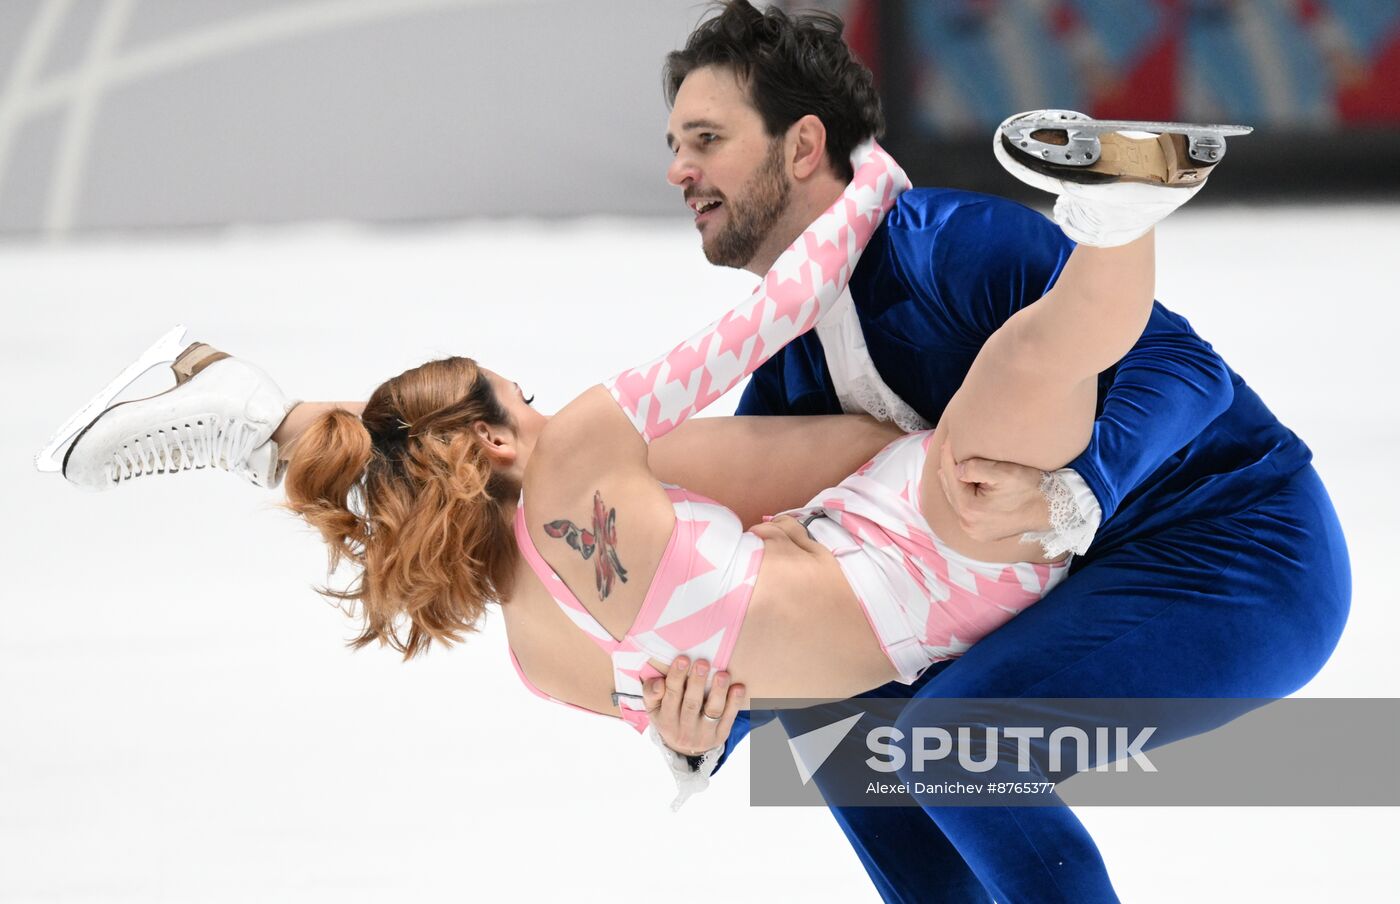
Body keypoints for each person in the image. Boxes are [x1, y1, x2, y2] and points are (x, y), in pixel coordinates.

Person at [37, 4, 1350, 902]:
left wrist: (1081, 486)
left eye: (702, 139)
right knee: (866, 727)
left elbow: (1178, 371)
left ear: (801, 147)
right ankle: (266, 434)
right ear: (499, 434)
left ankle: (1123, 213)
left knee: (955, 731)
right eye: (671, 141)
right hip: (955, 556)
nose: (676, 167)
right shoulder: (684, 424)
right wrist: (716, 701)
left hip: (1227, 542)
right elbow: (769, 470)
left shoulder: (955, 248)